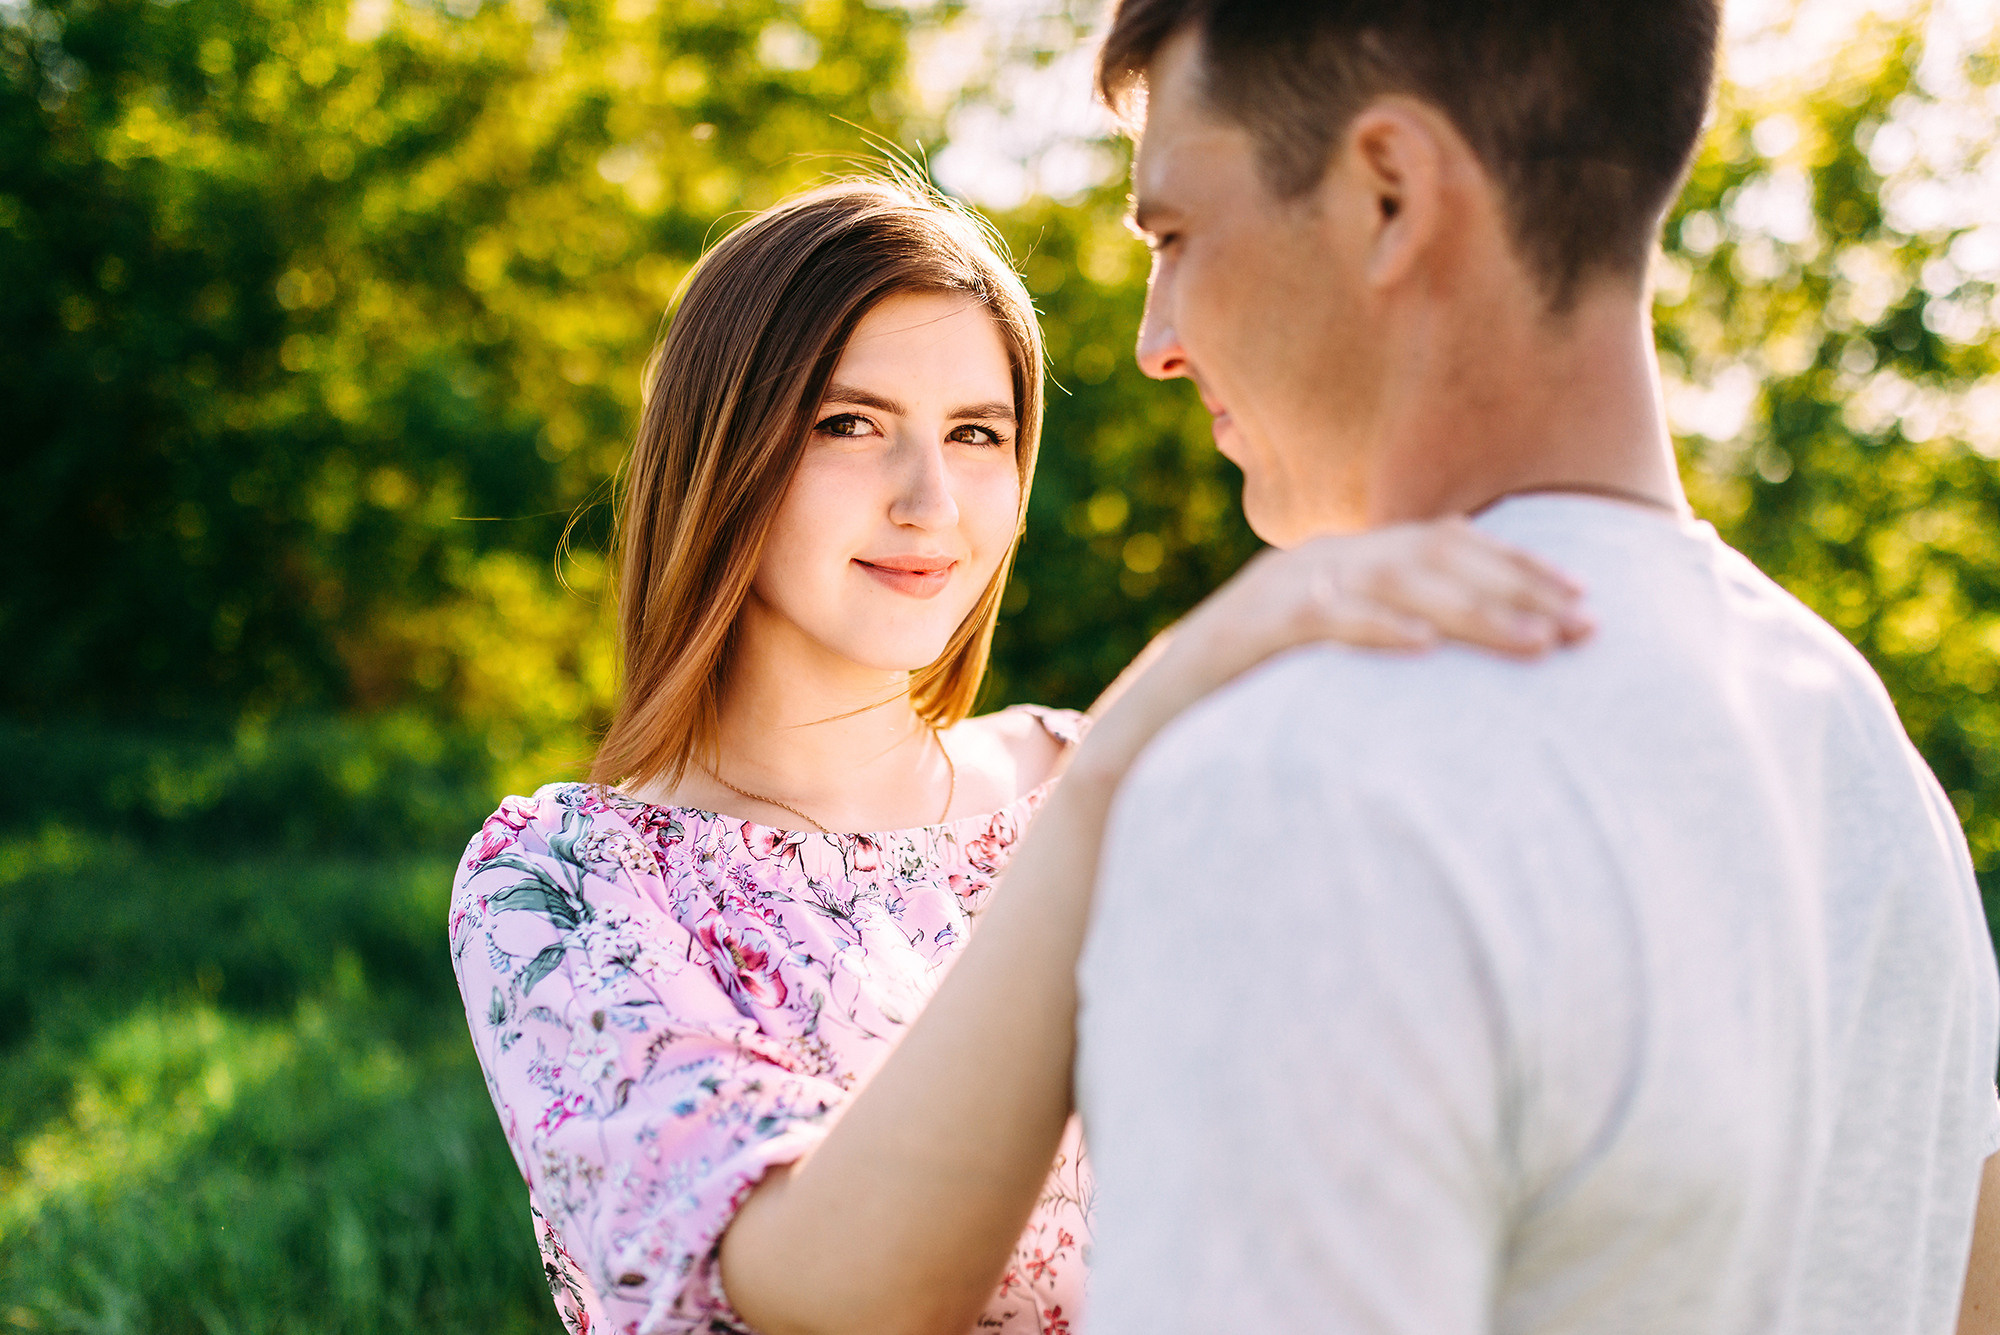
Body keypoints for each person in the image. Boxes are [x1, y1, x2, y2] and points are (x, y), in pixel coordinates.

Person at [448, 177, 1591, 1335]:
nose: (929, 500)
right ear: (723, 450)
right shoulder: (562, 885)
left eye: (975, 435)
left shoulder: (1125, 781)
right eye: (848, 423)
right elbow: (828, 1289)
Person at [1069, 3, 2000, 1334]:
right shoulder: (1867, 760)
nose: (1157, 336)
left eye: (1173, 235)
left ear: (1389, 192)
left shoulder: (1304, 782)